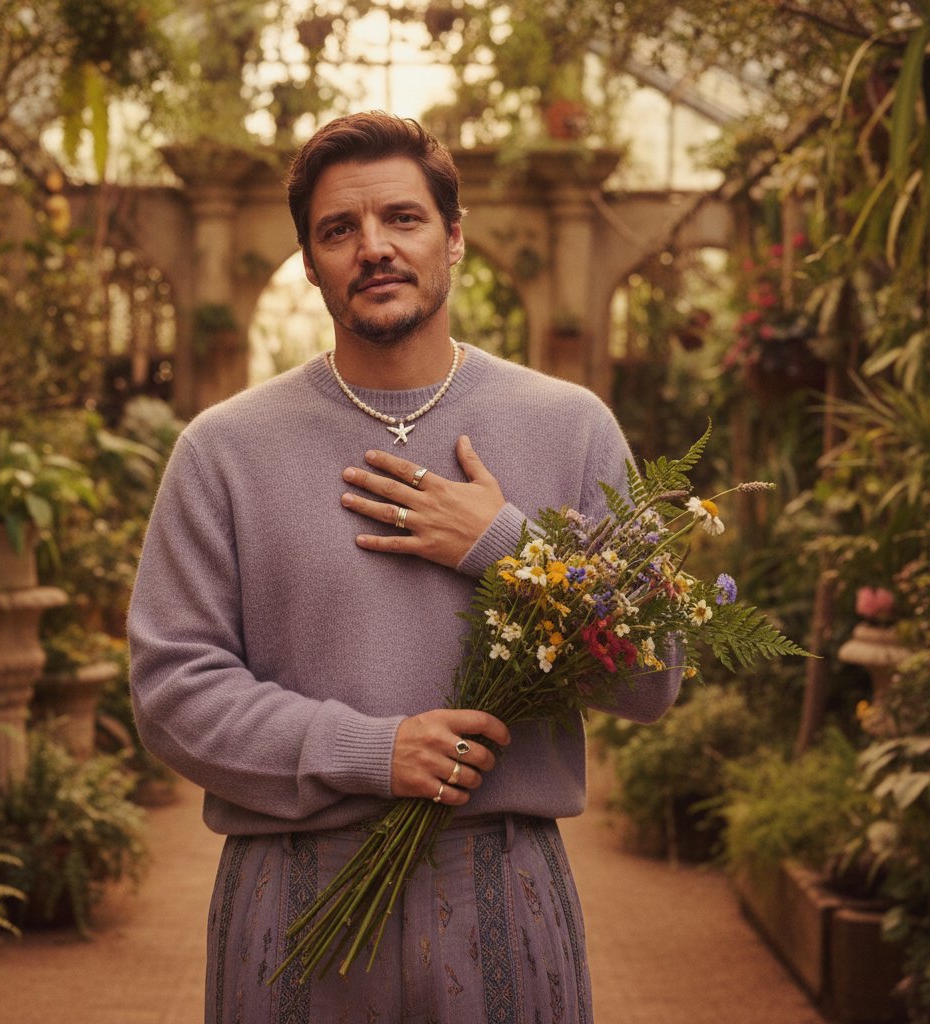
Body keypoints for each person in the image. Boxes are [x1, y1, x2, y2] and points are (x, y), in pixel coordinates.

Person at [127, 111, 682, 1023]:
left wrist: (508, 550)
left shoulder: (571, 425)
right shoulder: (223, 451)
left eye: (403, 218)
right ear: (310, 264)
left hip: (505, 890)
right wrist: (373, 752)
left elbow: (653, 681)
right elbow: (171, 694)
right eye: (338, 230)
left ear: (454, 237)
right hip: (291, 897)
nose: (374, 246)